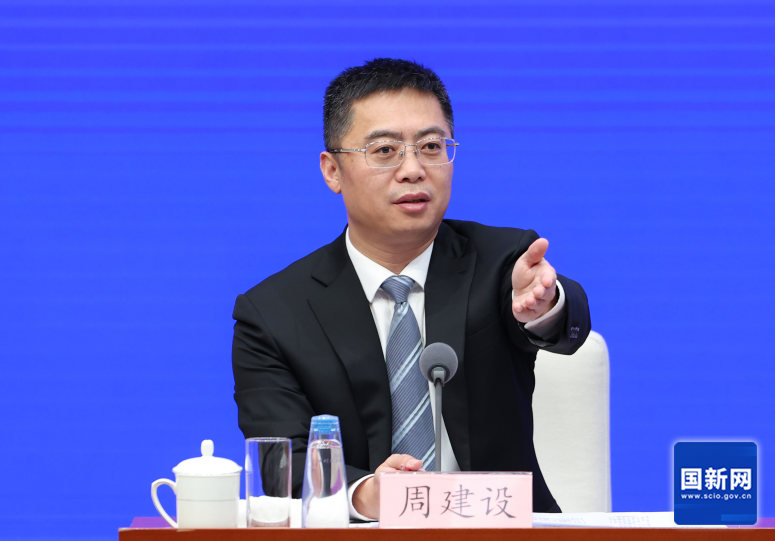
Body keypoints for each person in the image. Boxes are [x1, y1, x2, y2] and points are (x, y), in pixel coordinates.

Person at [232, 58, 591, 519]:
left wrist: (543, 306)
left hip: (501, 526)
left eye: (431, 146)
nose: (413, 169)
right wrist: (366, 493)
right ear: (332, 171)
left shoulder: (501, 261)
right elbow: (279, 460)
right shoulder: (274, 313)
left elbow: (567, 322)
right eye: (385, 150)